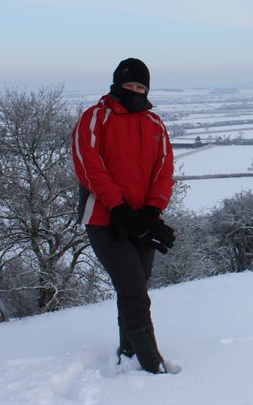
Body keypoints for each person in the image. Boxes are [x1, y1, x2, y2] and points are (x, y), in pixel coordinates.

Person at [71, 57, 176, 374]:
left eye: (140, 86)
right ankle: (150, 362)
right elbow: (88, 166)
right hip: (106, 221)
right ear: (116, 85)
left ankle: (129, 351)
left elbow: (164, 169)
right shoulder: (95, 118)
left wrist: (151, 210)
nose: (135, 90)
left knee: (134, 288)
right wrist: (118, 207)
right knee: (133, 290)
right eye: (129, 85)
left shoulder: (154, 125)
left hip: (142, 223)